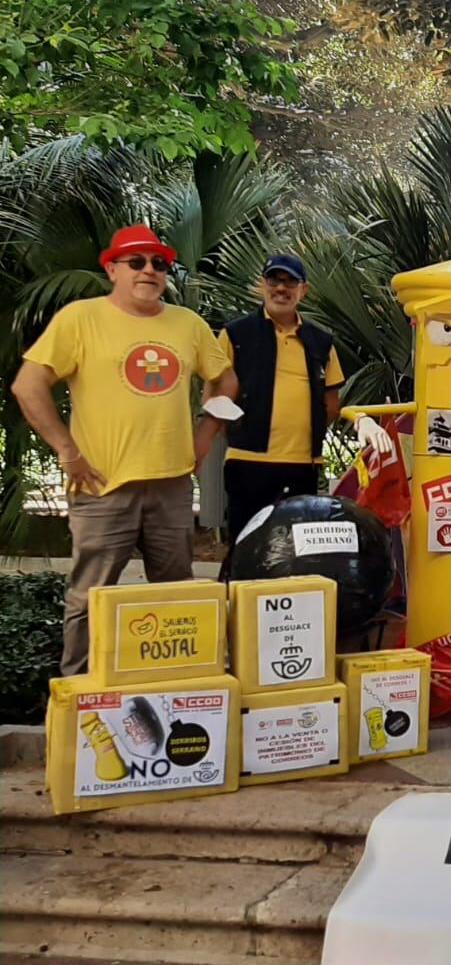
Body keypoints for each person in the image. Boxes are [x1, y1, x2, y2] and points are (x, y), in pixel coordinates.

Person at [12, 224, 237, 676]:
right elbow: (28, 384)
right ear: (112, 269)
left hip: (171, 484)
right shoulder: (81, 318)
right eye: (136, 261)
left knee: (173, 595)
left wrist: (205, 435)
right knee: (90, 597)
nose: (149, 270)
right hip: (101, 484)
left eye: (159, 263)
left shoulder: (188, 324)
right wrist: (67, 450)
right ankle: (78, 692)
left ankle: (175, 689)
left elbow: (225, 379)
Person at [214, 254, 344, 542]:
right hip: (247, 462)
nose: (282, 289)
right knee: (245, 547)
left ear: (303, 289)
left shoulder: (321, 341)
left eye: (290, 281)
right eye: (275, 280)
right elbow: (214, 395)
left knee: (293, 551)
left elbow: (331, 403)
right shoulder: (236, 334)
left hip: (302, 465)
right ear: (263, 284)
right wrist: (240, 430)